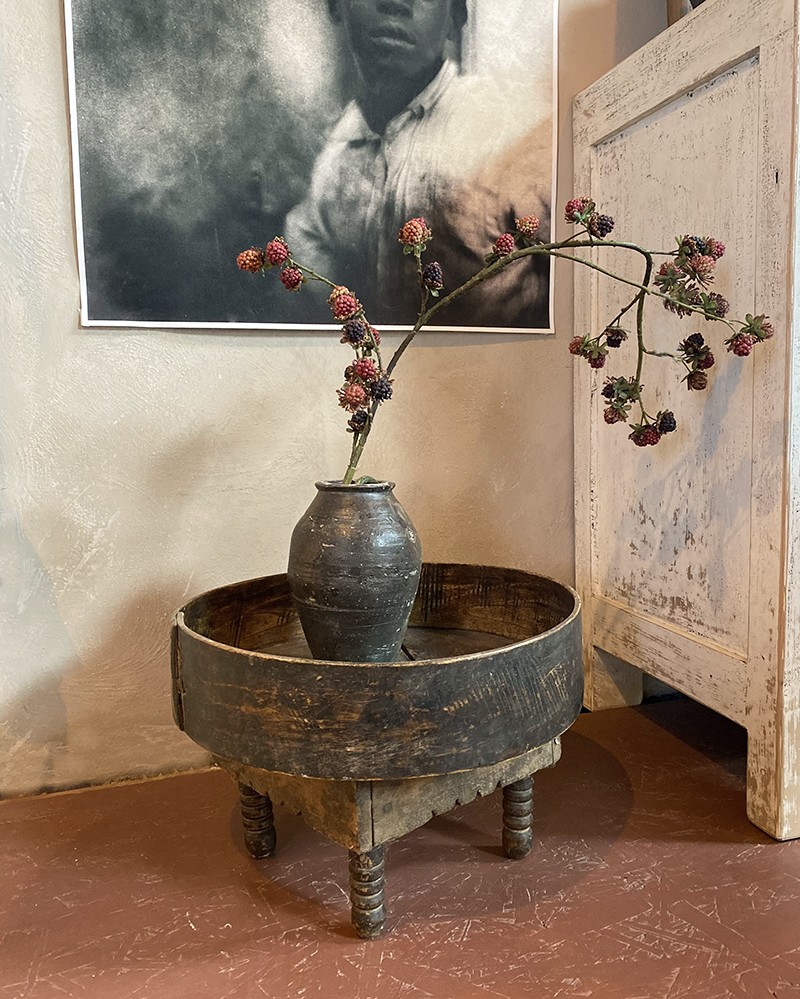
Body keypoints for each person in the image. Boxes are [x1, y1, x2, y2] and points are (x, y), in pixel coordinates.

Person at [285, 0, 552, 329]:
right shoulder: (333, 160)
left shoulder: (509, 130)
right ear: (337, 6)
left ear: (455, 18)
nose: (395, 3)